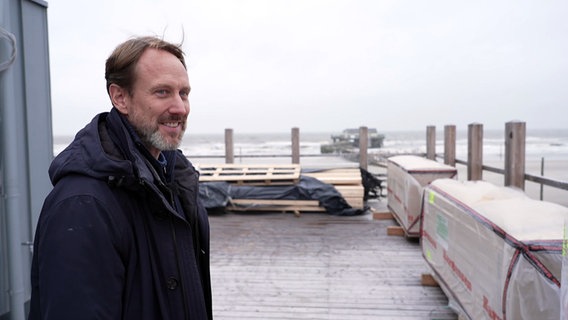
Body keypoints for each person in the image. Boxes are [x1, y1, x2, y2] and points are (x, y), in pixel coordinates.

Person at [28, 36, 212, 320]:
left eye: (184, 93)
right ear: (120, 97)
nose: (180, 108)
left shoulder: (175, 182)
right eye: (162, 92)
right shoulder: (82, 205)